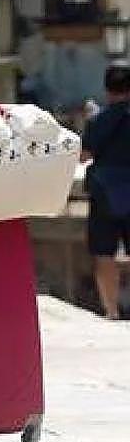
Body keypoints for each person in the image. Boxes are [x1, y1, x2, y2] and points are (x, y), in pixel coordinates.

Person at [81, 61, 130, 320]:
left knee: (104, 253)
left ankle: (111, 311)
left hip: (105, 194)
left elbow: (84, 155)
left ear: (107, 89)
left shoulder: (99, 119)